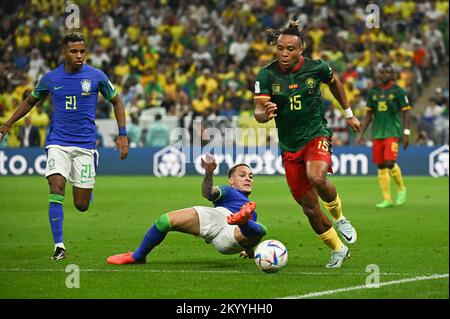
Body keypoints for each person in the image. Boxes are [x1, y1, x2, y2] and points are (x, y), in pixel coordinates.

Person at [0, 32, 129, 260]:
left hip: (85, 147)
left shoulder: (97, 76)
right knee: (56, 185)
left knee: (81, 205)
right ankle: (59, 246)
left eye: (82, 51)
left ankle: (87, 186)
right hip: (57, 143)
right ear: (63, 53)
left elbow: (117, 101)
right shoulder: (50, 78)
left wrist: (122, 134)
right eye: (74, 51)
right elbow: (30, 101)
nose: (79, 56)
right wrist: (8, 123)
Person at [253, 21, 361, 268]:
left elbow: (335, 83)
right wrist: (265, 114)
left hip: (316, 134)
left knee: (317, 177)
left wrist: (348, 113)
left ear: (301, 49)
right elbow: (258, 111)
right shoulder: (266, 74)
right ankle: (338, 248)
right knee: (310, 209)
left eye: (290, 49)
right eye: (280, 48)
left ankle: (340, 217)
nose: (284, 53)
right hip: (289, 147)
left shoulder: (317, 68)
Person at [107, 154, 267, 264]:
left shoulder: (252, 210)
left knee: (259, 230)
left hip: (230, 234)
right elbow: (208, 193)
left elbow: (246, 238)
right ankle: (138, 257)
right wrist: (209, 173)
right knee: (164, 221)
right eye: (243, 175)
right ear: (231, 180)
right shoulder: (228, 191)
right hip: (217, 217)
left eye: (251, 176)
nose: (248, 178)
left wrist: (250, 251)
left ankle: (243, 220)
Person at [357, 64, 410, 208]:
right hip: (377, 132)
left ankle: (401, 189)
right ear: (378, 74)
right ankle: (387, 199)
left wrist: (406, 132)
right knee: (381, 165)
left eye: (388, 72)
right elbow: (368, 114)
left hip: (393, 131)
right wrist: (361, 132)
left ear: (392, 75)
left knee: (389, 162)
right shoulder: (373, 92)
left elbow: (406, 112)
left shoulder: (398, 91)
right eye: (382, 72)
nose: (384, 74)